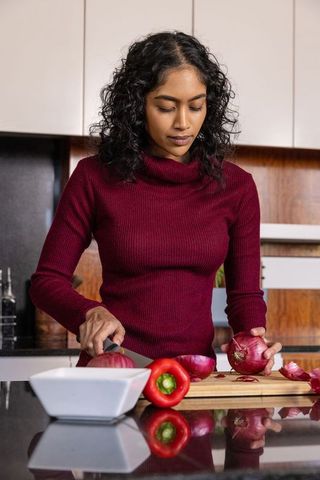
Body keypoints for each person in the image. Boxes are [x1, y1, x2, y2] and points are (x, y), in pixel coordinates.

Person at [29, 31, 281, 371]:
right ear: (138, 105)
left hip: (194, 377)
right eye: (165, 107)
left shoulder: (237, 187)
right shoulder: (95, 177)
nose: (183, 123)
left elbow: (244, 296)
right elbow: (47, 281)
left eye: (196, 106)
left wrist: (255, 344)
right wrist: (88, 312)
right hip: (115, 368)